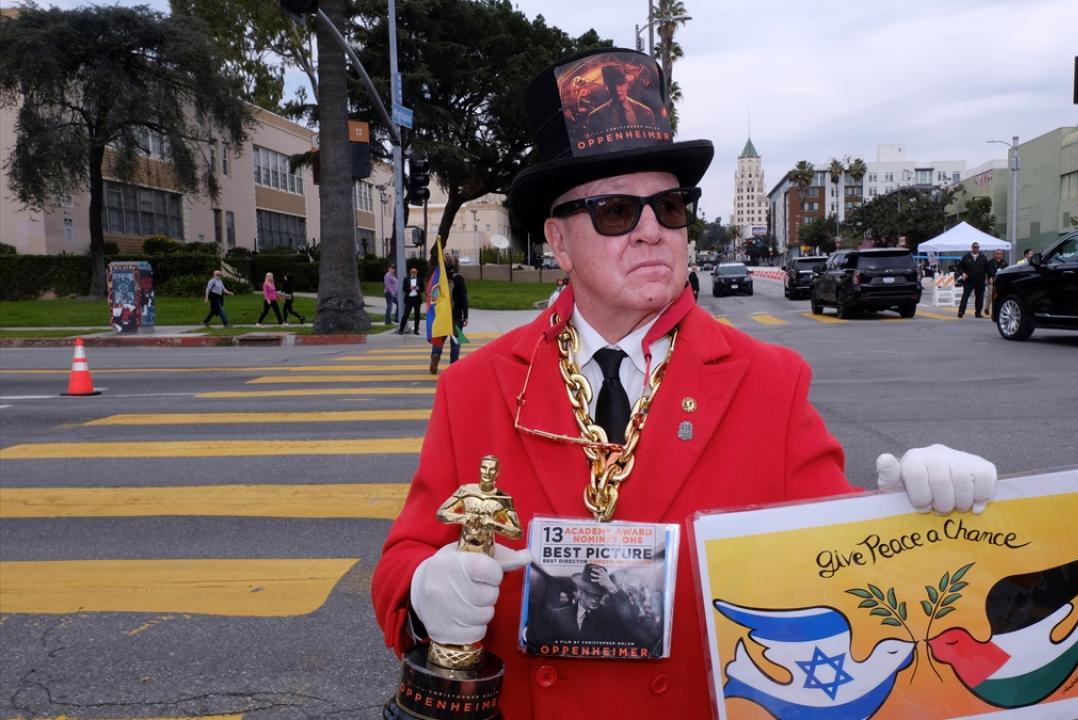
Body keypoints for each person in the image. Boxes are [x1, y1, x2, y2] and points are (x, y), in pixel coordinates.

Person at [372, 47, 997, 720]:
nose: (652, 231)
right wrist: (424, 594)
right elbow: (405, 558)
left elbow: (838, 563)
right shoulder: (475, 387)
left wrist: (914, 515)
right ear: (559, 241)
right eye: (617, 212)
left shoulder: (769, 382)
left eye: (669, 207)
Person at [957, 241, 993, 319]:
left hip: (980, 281)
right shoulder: (966, 257)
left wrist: (990, 277)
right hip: (969, 280)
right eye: (975, 247)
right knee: (965, 296)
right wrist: (962, 273)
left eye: (977, 247)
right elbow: (959, 266)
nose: (976, 249)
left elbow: (988, 268)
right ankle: (961, 311)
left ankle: (978, 313)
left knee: (980, 297)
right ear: (972, 248)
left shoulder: (983, 257)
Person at [398, 266, 423, 335]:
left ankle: (416, 330)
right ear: (410, 272)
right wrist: (410, 288)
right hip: (409, 299)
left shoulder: (420, 279)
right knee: (406, 314)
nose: (414, 273)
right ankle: (401, 329)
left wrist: (418, 288)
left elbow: (423, 289)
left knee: (417, 315)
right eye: (412, 272)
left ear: (417, 272)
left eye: (415, 272)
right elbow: (404, 289)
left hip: (417, 299)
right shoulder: (406, 279)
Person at [984, 249, 1009, 316]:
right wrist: (990, 277)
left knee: (998, 297)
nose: (998, 255)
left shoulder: (1004, 262)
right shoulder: (990, 262)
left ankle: (995, 312)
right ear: (994, 254)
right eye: (997, 253)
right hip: (992, 281)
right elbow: (989, 271)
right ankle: (987, 308)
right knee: (990, 295)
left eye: (1000, 253)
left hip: (1001, 282)